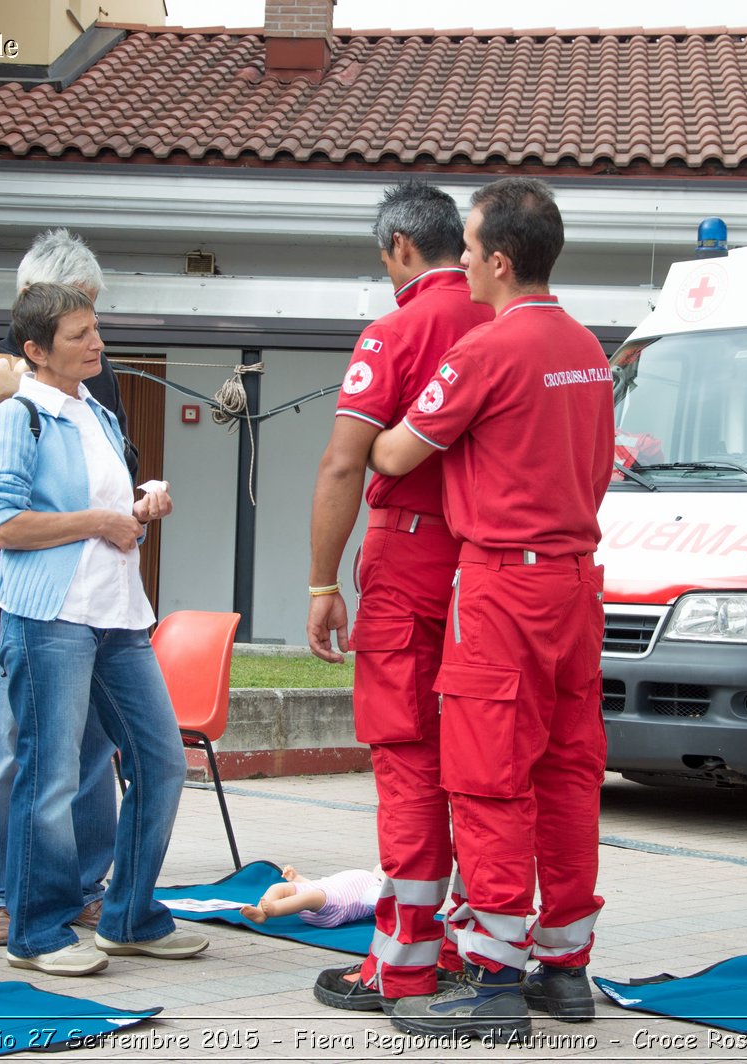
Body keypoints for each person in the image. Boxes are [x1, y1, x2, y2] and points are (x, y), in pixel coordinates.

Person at [369, 177, 615, 1041]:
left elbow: (395, 449)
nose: (460, 259)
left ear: (501, 262)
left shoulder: (489, 351)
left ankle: (491, 981)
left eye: (469, 248)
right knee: (569, 772)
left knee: (487, 778)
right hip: (580, 584)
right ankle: (566, 969)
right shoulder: (588, 346)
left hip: (505, 586)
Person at [0, 282, 206, 977]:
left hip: (119, 619)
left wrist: (139, 507)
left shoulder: (99, 414)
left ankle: (130, 917)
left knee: (162, 763)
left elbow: (109, 515)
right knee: (48, 780)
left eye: (95, 329)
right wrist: (99, 523)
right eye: (79, 334)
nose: (96, 344)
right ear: (35, 351)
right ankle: (36, 932)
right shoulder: (20, 417)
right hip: (50, 621)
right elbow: (3, 525)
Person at [306, 180, 493, 1012]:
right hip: (493, 573)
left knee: (408, 756)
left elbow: (347, 462)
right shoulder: (508, 325)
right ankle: (478, 949)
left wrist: (320, 581)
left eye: (384, 258)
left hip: (411, 563)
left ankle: (400, 962)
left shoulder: (396, 329)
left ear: (402, 250)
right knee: (487, 766)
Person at [0, 229, 127, 948]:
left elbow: (121, 457)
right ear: (31, 306)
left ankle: (84, 884)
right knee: (14, 743)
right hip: (15, 586)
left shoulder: (97, 374)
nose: (91, 335)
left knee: (89, 746)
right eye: (77, 314)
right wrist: (25, 423)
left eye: (93, 314)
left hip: (93, 586)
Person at [241, 865, 383, 927]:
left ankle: (274, 909)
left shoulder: (379, 888)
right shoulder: (368, 875)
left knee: (312, 896)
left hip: (337, 906)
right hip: (322, 890)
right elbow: (317, 885)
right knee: (278, 888)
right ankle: (261, 913)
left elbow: (380, 903)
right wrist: (298, 878)